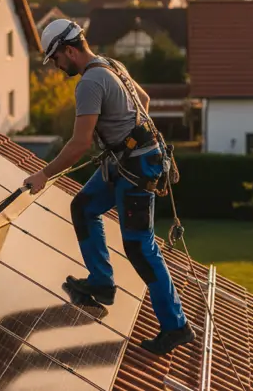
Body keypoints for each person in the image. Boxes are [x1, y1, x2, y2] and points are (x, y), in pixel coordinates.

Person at [23, 19, 195, 356]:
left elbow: (79, 144)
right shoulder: (111, 65)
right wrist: (124, 139)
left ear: (69, 50)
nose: (56, 67)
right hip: (128, 160)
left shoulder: (89, 83)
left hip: (136, 168)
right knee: (84, 207)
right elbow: (143, 99)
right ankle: (101, 283)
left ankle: (176, 326)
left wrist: (44, 174)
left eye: (56, 59)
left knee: (140, 247)